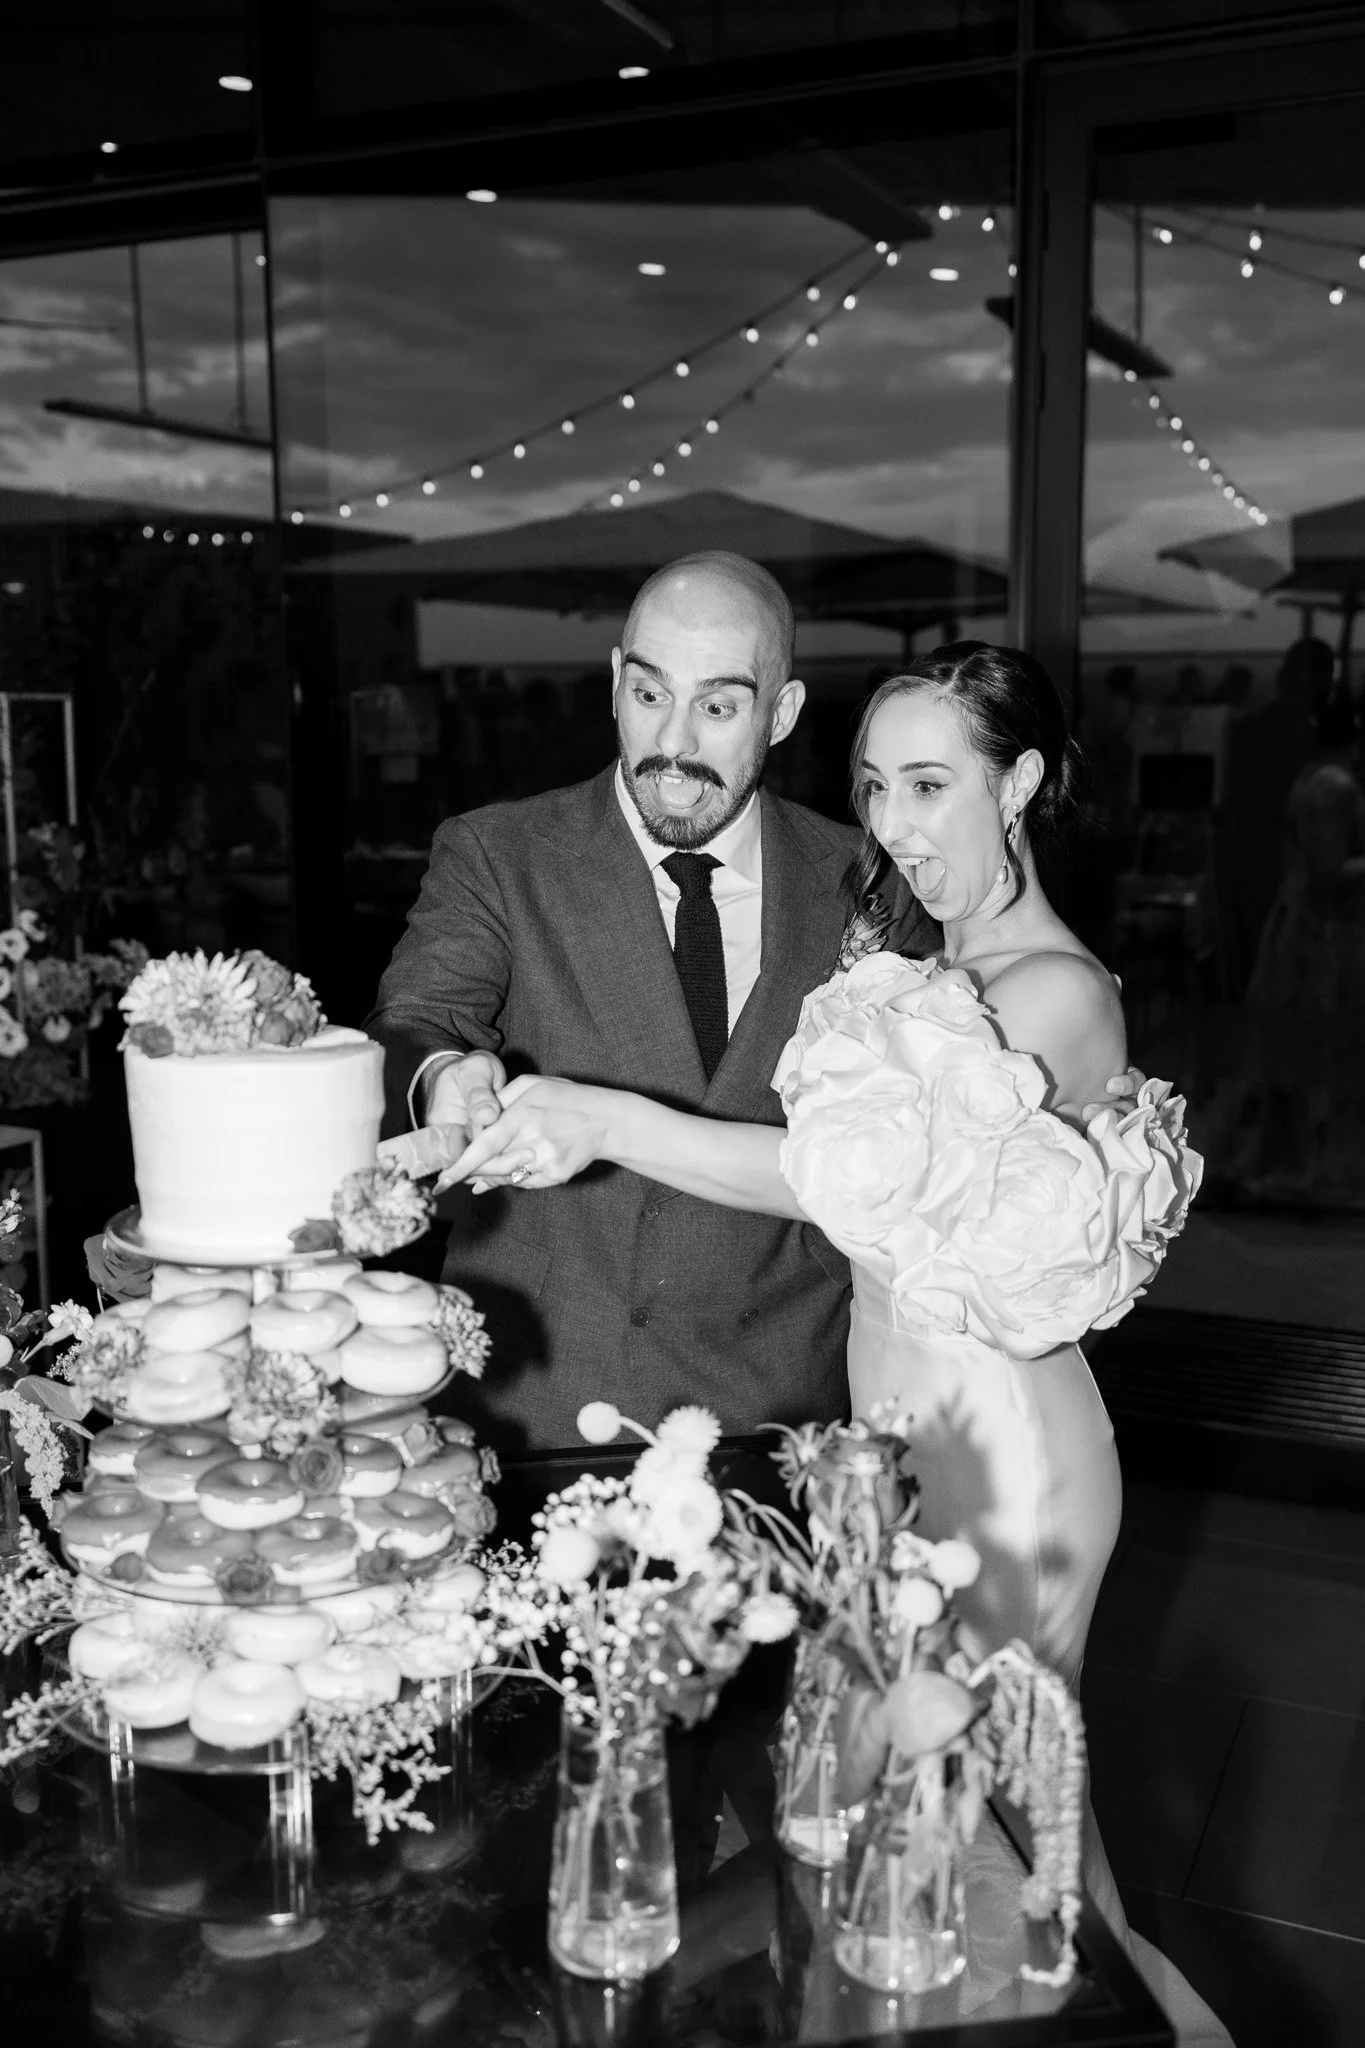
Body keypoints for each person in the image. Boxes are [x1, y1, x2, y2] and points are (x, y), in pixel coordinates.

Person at [453, 642, 1232, 2038]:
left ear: (1021, 783)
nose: (894, 824)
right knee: (965, 1821)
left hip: (1005, 1458)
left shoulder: (1052, 995)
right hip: (900, 1437)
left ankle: (1116, 2027)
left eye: (931, 785)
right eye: (875, 786)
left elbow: (837, 1181)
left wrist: (608, 1119)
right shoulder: (936, 965)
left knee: (999, 1821)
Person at [366, 550, 926, 1453]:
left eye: (718, 707)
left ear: (781, 713)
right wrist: (443, 1078)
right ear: (614, 682)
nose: (674, 743)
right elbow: (414, 1020)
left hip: (783, 1398)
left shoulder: (865, 882)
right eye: (650, 693)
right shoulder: (499, 853)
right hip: (540, 1388)